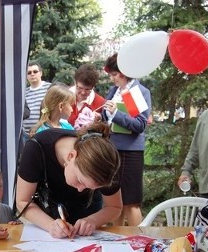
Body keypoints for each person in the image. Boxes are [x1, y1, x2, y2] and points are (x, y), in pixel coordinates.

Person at [15, 122, 122, 239]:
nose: (81, 190)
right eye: (80, 181)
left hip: (89, 219)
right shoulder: (36, 148)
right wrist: (50, 225)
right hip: (47, 220)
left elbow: (115, 207)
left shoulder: (106, 161)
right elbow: (22, 201)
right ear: (71, 156)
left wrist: (93, 220)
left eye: (92, 188)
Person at [102, 53, 152, 226]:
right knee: (115, 200)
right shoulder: (114, 91)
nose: (112, 78)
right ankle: (117, 240)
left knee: (131, 201)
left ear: (125, 72)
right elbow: (106, 114)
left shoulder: (137, 92)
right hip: (112, 148)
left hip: (130, 151)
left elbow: (139, 125)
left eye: (115, 74)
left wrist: (116, 114)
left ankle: (136, 239)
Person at [68, 63, 105, 130]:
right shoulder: (65, 97)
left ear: (93, 87)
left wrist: (99, 121)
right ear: (75, 82)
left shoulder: (99, 102)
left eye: (88, 89)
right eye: (80, 88)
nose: (83, 92)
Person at [22, 62, 51, 140]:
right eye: (29, 72)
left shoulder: (50, 88)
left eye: (35, 71)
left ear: (40, 73)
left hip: (44, 131)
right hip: (26, 135)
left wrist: (39, 125)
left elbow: (51, 109)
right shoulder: (23, 92)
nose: (32, 74)